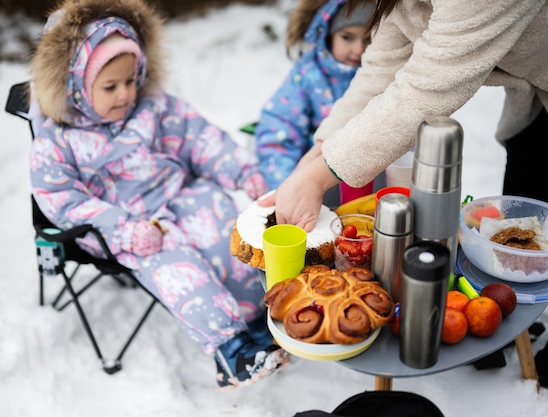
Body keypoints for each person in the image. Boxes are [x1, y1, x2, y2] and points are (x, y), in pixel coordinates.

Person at [260, 0, 548, 381]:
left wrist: (318, 177)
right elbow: (380, 73)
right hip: (535, 108)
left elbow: (429, 87)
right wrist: (313, 158)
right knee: (523, 250)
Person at [28, 0, 289, 390]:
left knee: (226, 236)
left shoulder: (156, 109)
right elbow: (64, 201)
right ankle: (232, 349)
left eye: (132, 80)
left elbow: (201, 140)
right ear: (74, 86)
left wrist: (243, 171)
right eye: (110, 86)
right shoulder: (58, 141)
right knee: (180, 270)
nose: (125, 94)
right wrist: (123, 231)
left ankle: (260, 321)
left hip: (181, 192)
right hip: (130, 225)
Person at [254, 0, 374, 207]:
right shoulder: (309, 74)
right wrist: (286, 184)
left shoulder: (383, 76)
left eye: (368, 40)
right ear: (327, 33)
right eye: (347, 37)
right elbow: (280, 129)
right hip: (317, 178)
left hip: (372, 182)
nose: (358, 49)